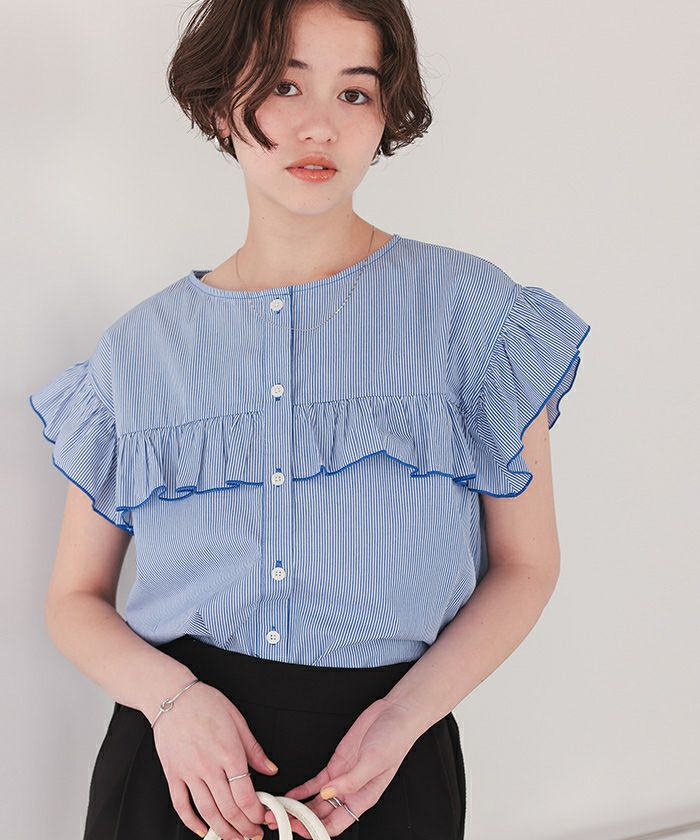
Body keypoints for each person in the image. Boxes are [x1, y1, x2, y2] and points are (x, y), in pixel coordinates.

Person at [28, 1, 592, 838]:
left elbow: (527, 566)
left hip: (385, 761)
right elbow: (73, 599)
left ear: (386, 115)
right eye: (285, 85)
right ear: (222, 103)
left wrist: (405, 716)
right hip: (179, 766)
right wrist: (172, 703)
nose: (320, 126)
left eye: (355, 93)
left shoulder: (472, 314)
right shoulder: (138, 350)